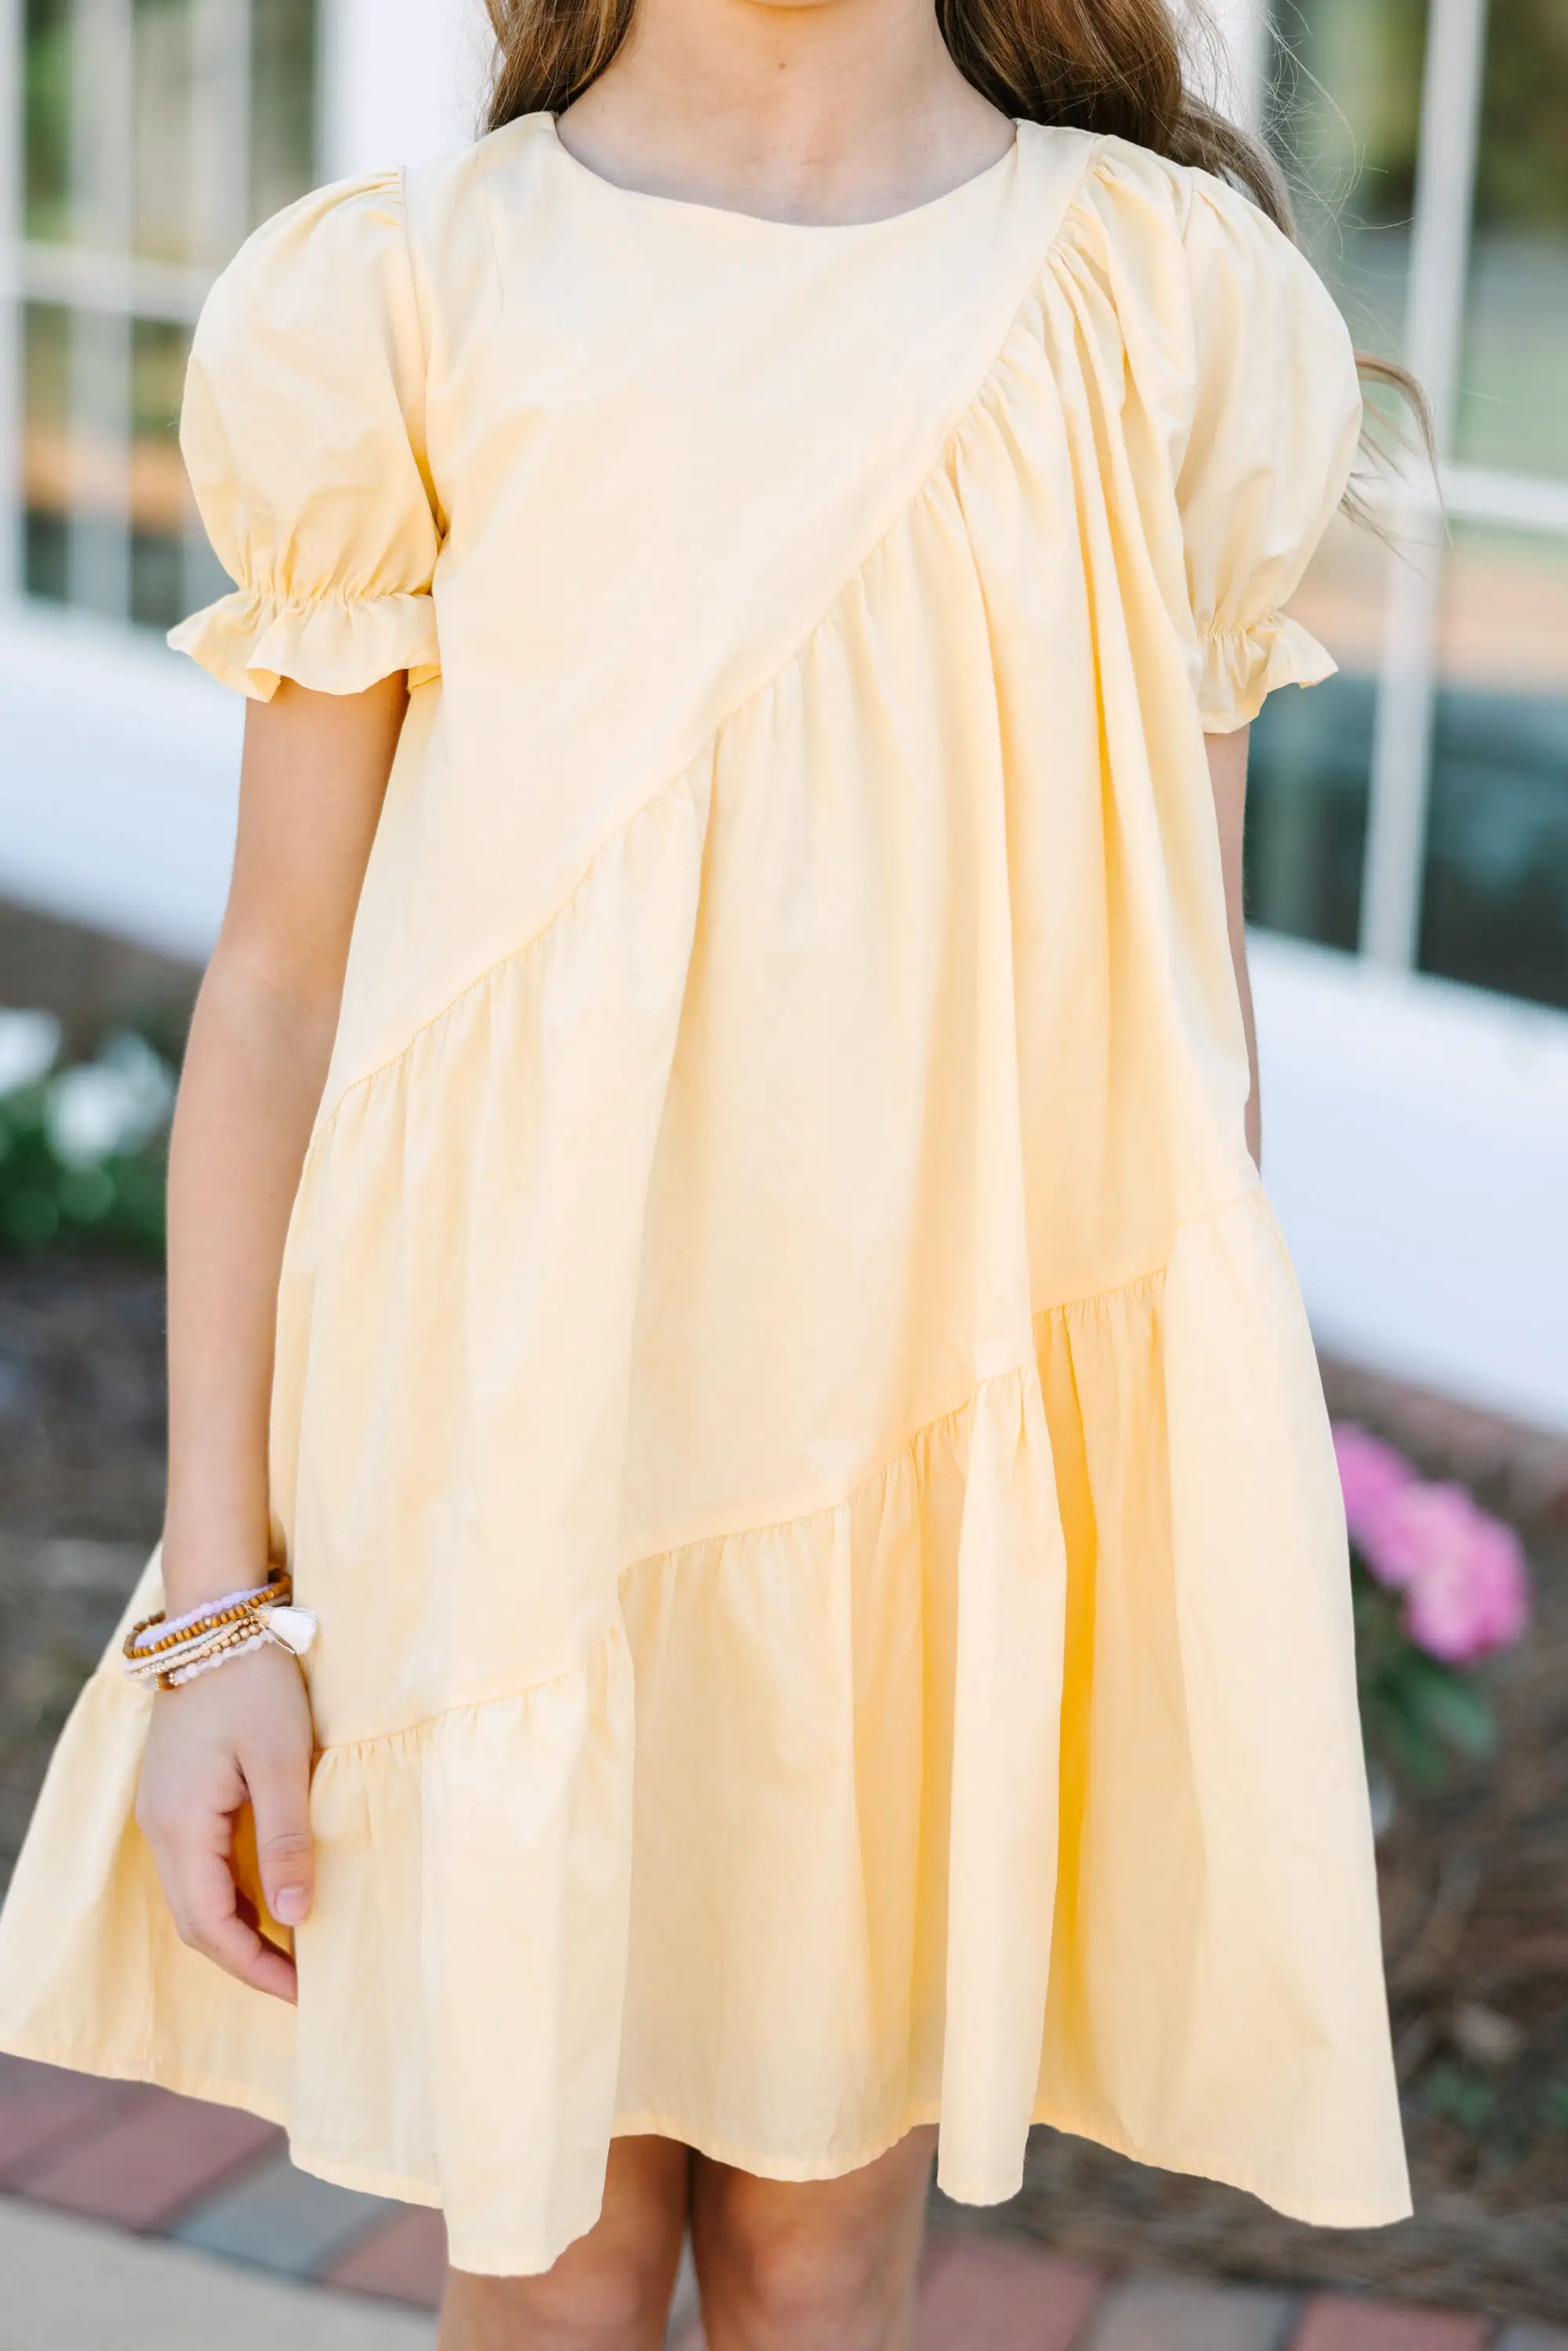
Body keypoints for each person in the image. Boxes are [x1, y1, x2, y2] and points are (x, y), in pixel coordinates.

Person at [0, 0, 1420, 2342]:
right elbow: (273, 994)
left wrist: (1134, 1606)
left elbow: (1183, 1042)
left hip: (904, 1480)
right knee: (546, 2274)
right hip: (501, 1466)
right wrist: (219, 1601)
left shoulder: (1164, 310)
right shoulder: (413, 295)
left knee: (818, 2251)